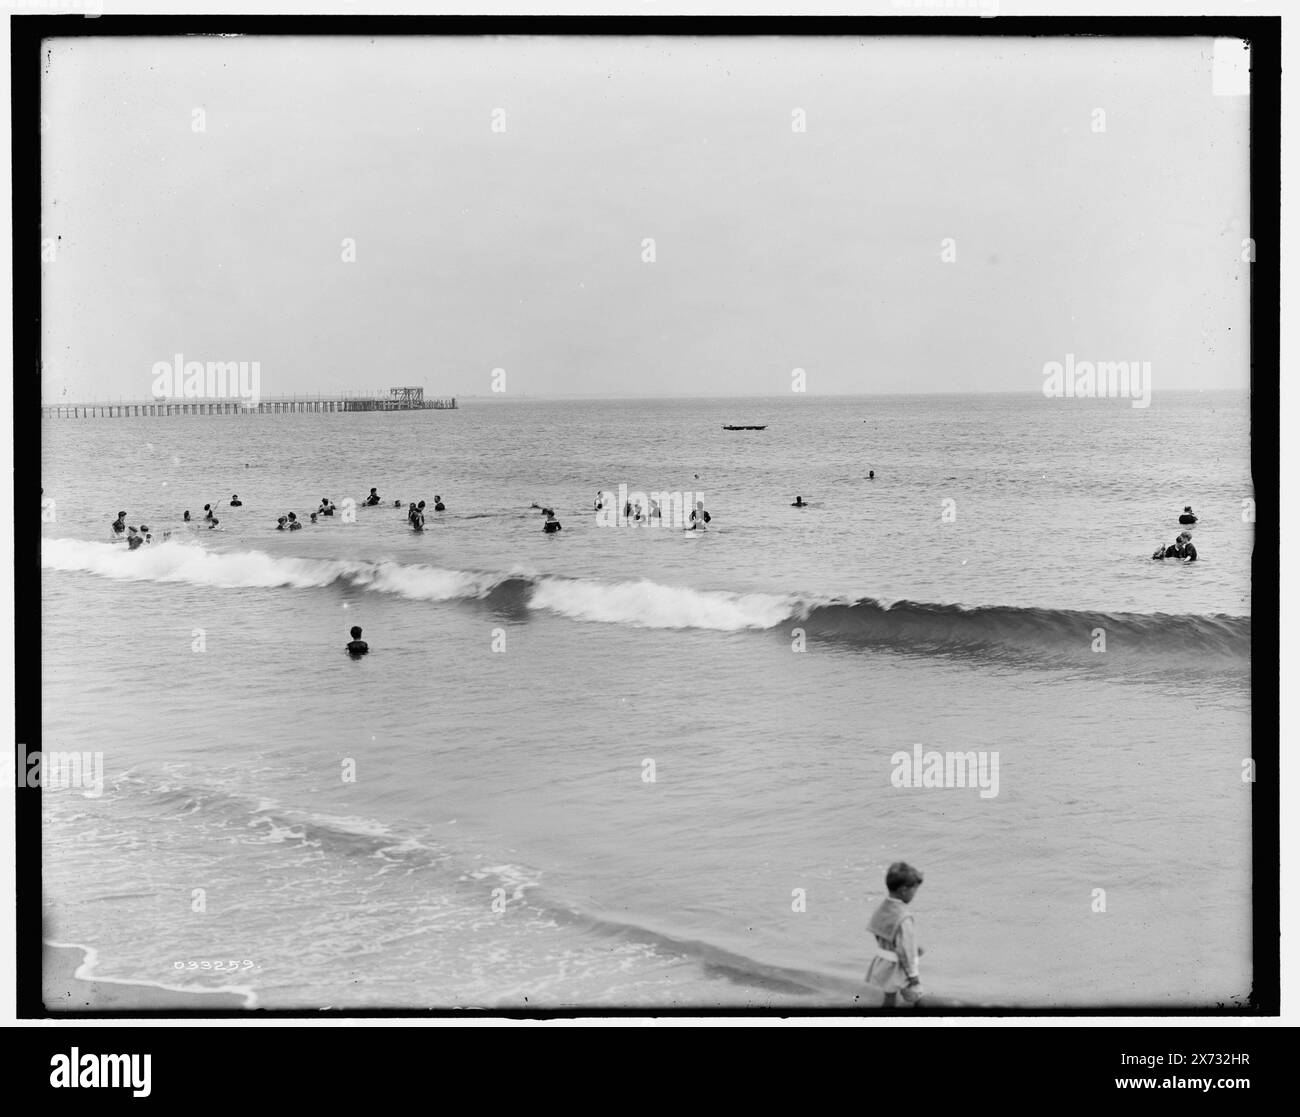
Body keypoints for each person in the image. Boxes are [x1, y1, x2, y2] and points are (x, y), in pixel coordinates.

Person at [864, 862, 925, 1007]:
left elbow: (880, 933)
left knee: (889, 998)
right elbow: (905, 950)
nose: (914, 895)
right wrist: (913, 976)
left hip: (883, 962)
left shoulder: (882, 908)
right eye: (914, 890)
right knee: (917, 996)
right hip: (900, 965)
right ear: (904, 890)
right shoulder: (904, 917)